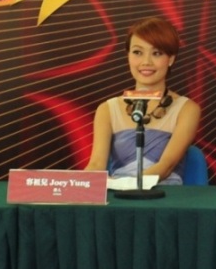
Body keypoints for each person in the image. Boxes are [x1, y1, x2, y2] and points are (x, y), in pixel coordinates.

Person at [84, 16, 201, 184]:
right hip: (119, 194)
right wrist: (80, 185)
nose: (146, 62)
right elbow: (96, 165)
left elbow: (166, 166)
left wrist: (128, 185)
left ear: (171, 59)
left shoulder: (187, 109)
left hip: (166, 195)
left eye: (156, 53)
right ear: (128, 56)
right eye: (137, 52)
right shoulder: (107, 109)